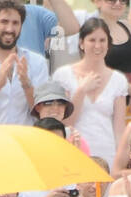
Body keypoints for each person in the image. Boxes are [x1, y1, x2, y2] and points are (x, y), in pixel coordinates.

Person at [52, 18, 126, 166]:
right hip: (74, 151)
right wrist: (81, 91)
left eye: (102, 40)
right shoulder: (63, 75)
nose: (97, 46)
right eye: (92, 40)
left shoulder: (118, 80)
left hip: (107, 155)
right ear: (81, 43)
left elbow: (119, 129)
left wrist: (121, 160)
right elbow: (65, 121)